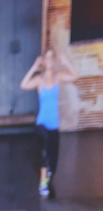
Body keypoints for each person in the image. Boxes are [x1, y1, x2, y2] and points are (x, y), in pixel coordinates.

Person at [20, 47, 77, 198]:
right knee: (44, 152)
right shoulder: (40, 79)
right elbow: (24, 85)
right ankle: (42, 182)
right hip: (42, 122)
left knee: (53, 159)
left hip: (54, 123)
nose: (50, 60)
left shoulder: (58, 76)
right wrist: (34, 67)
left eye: (52, 57)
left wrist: (66, 62)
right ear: (44, 61)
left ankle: (48, 176)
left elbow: (74, 76)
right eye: (47, 58)